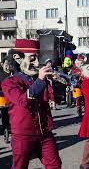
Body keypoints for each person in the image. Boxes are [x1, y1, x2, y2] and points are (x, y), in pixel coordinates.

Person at [2, 39, 61, 169]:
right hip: (23, 134)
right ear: (18, 58)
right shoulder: (10, 82)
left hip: (45, 132)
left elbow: (48, 99)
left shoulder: (39, 79)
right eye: (32, 58)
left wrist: (54, 83)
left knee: (55, 165)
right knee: (20, 166)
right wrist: (40, 80)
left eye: (37, 58)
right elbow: (23, 101)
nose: (36, 62)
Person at [0, 56, 11, 143]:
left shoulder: (13, 73)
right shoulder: (0, 74)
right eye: (6, 64)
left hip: (12, 96)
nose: (8, 66)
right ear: (2, 65)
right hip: (2, 97)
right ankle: (5, 130)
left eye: (9, 64)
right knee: (4, 114)